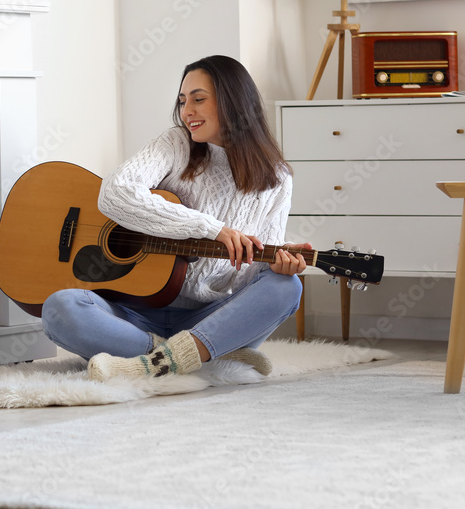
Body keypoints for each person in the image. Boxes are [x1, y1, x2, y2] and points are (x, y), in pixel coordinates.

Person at [40, 55, 310, 381]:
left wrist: (279, 263)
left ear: (233, 101)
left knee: (286, 286)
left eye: (198, 99)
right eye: (183, 101)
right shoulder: (176, 143)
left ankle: (154, 361)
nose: (187, 112)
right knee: (59, 308)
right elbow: (115, 191)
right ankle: (199, 357)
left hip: (214, 317)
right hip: (136, 314)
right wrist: (209, 228)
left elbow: (259, 265)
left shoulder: (277, 179)